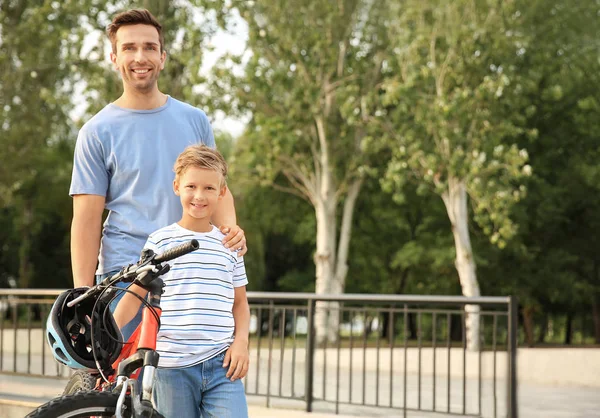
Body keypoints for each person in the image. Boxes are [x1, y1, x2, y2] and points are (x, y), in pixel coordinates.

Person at [69, 9, 246, 333]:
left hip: (191, 274)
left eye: (150, 47)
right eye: (129, 48)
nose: (140, 56)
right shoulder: (96, 131)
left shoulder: (195, 120)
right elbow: (86, 219)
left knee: (182, 380)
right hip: (124, 278)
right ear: (114, 56)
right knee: (117, 381)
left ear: (162, 57)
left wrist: (230, 231)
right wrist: (83, 297)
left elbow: (217, 191)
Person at [114, 145, 250, 418]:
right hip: (171, 368)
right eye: (191, 186)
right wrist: (107, 334)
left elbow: (240, 303)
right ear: (177, 187)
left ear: (221, 192)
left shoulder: (230, 245)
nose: (199, 196)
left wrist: (242, 342)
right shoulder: (159, 241)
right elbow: (134, 296)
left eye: (209, 189)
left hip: (222, 365)